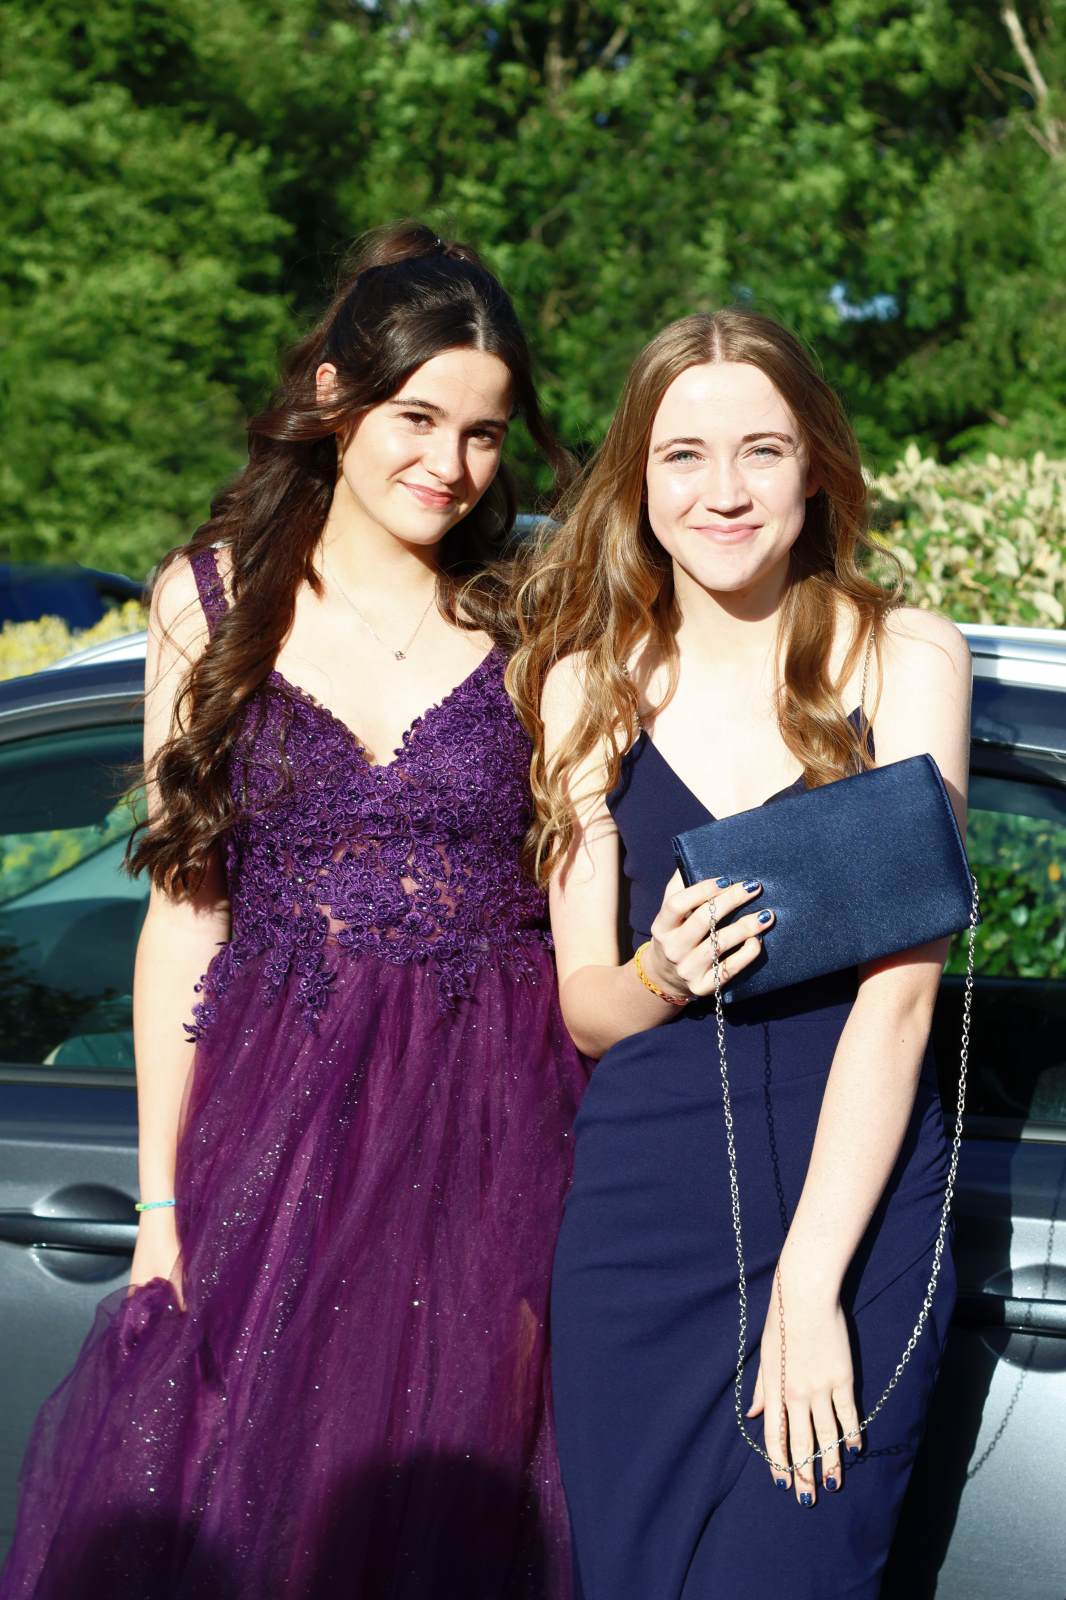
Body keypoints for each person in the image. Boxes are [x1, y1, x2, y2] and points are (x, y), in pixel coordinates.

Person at [1, 223, 586, 1600]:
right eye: (417, 418)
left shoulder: (531, 614)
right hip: (272, 1140)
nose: (449, 464)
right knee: (251, 1513)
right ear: (335, 395)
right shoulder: (209, 601)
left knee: (455, 1519)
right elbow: (182, 919)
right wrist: (160, 1208)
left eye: (483, 434)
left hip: (494, 1136)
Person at [507, 310, 971, 1599]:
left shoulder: (905, 659)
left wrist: (810, 1289)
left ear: (815, 466)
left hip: (855, 1225)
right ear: (637, 482)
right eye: (684, 455)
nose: (724, 491)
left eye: (762, 450)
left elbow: (900, 1005)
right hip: (640, 1232)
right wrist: (657, 973)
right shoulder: (582, 686)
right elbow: (588, 1011)